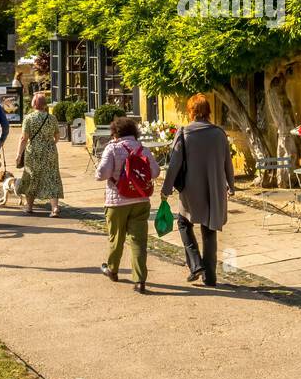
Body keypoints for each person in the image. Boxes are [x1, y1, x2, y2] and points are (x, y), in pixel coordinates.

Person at [161, 94, 235, 288]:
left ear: (191, 111)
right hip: (215, 188)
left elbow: (175, 163)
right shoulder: (219, 133)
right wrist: (231, 184)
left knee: (183, 222)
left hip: (191, 189)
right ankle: (210, 277)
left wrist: (166, 189)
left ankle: (195, 264)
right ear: (208, 110)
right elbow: (228, 161)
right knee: (209, 230)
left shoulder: (185, 132)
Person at [95, 117, 160, 293]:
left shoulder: (112, 148)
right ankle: (140, 281)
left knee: (116, 238)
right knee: (138, 241)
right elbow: (155, 172)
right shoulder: (143, 149)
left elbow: (101, 174)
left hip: (117, 201)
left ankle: (112, 269)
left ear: (115, 132)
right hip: (140, 200)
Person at [15, 92, 63, 216]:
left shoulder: (29, 118)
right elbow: (57, 136)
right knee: (52, 177)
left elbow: (24, 138)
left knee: (31, 177)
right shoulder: (52, 118)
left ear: (33, 104)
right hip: (50, 151)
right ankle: (55, 208)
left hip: (33, 152)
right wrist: (50, 144)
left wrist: (19, 154)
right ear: (44, 105)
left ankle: (29, 207)